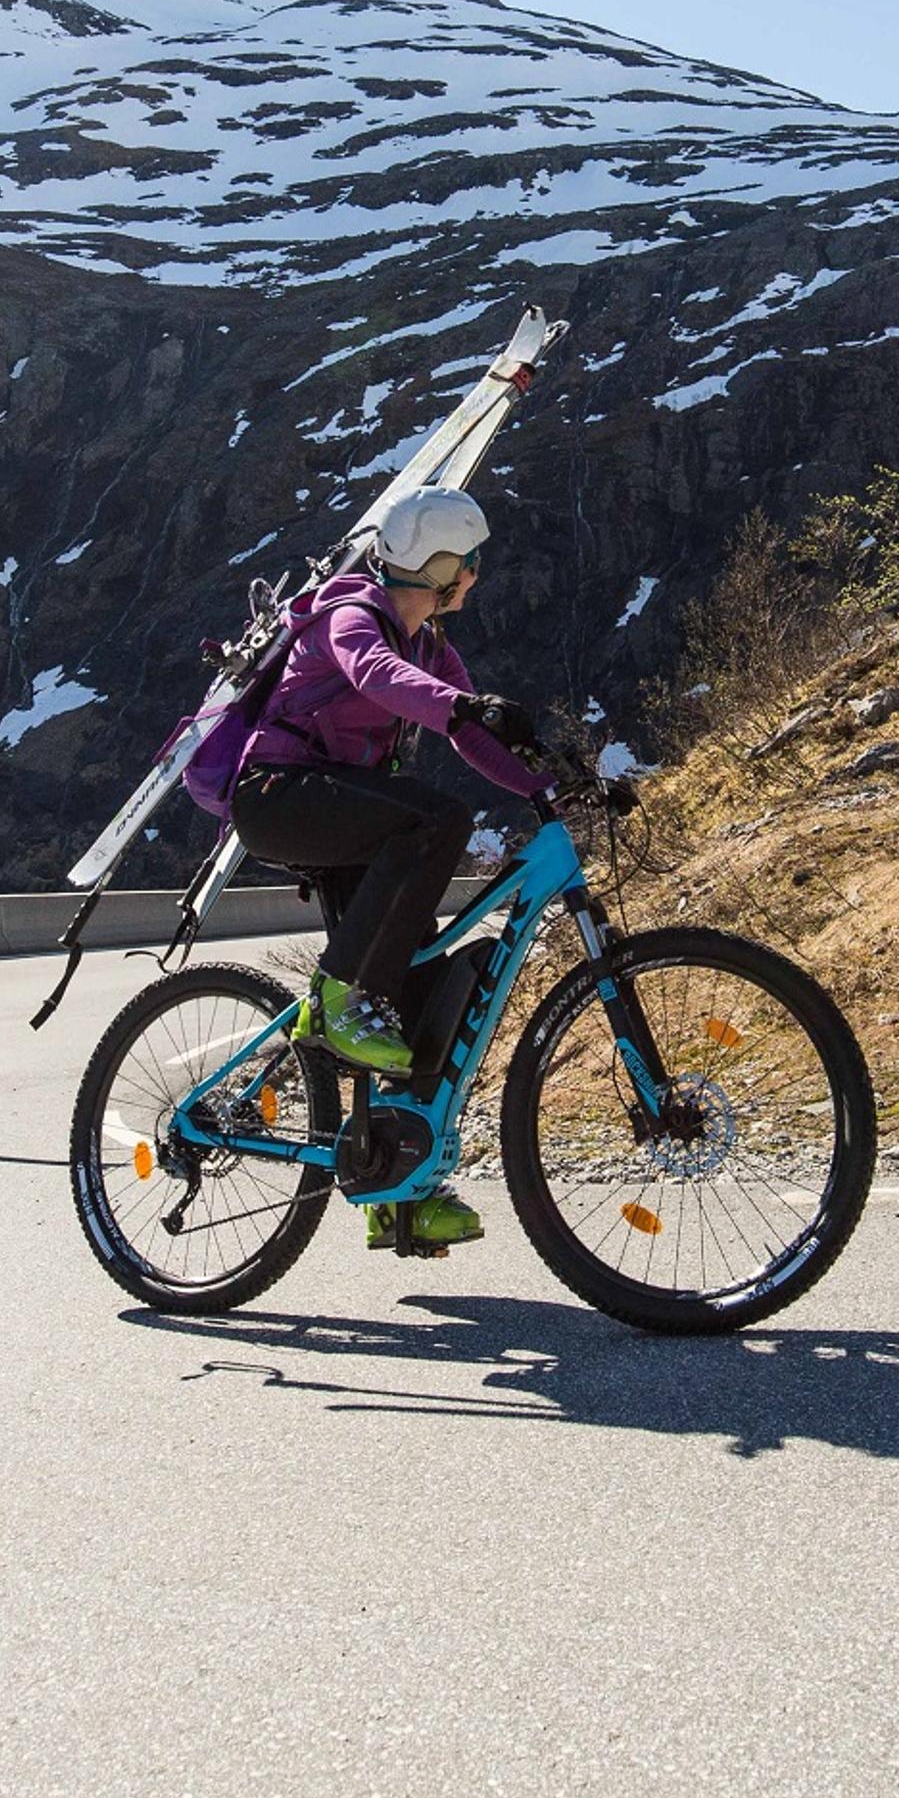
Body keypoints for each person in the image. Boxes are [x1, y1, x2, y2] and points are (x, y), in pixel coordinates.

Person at [226, 486, 549, 1254]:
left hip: (348, 818)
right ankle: (336, 1000)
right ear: (442, 567)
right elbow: (377, 676)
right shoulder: (353, 614)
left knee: (422, 992)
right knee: (439, 818)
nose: (475, 574)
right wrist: (465, 707)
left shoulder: (429, 645)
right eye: (470, 561)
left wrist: (552, 787)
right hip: (279, 794)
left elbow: (471, 731)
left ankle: (394, 1192)